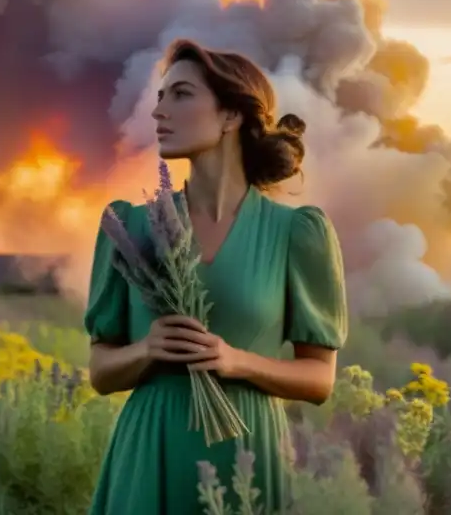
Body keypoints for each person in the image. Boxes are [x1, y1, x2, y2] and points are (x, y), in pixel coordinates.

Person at [85, 39, 348, 514]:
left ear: (231, 116)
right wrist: (148, 349)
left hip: (246, 453)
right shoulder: (128, 225)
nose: (158, 110)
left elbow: (319, 379)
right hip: (151, 449)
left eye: (180, 95)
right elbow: (101, 373)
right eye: (160, 96)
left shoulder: (298, 232)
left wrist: (237, 361)